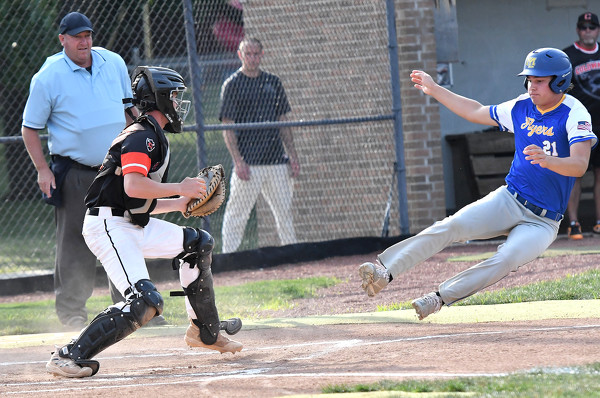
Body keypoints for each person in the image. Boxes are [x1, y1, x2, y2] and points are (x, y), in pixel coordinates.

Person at [358, 48, 597, 321]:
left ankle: (439, 298)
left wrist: (548, 159)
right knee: (452, 225)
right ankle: (384, 272)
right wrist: (435, 90)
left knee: (506, 259)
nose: (532, 85)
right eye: (529, 79)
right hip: (510, 199)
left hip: (543, 222)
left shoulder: (574, 113)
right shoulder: (521, 106)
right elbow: (476, 111)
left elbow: (580, 164)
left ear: (559, 82)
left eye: (540, 80)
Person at [45, 66, 243, 378]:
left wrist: (178, 203)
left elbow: (139, 203)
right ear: (160, 99)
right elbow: (133, 187)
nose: (178, 104)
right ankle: (68, 355)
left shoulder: (153, 136)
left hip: (130, 223)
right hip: (108, 226)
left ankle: (205, 332)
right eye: (175, 97)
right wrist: (180, 187)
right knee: (144, 303)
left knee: (197, 243)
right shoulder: (141, 137)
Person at [21, 12, 144, 330]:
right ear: (62, 39)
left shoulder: (113, 62)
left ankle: (132, 306)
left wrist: (135, 159)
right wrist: (42, 170)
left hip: (117, 168)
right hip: (75, 171)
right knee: (75, 240)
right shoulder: (48, 76)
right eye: (76, 36)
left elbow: (129, 112)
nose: (84, 41)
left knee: (123, 235)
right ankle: (73, 313)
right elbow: (29, 129)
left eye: (87, 35)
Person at [219, 37, 300, 253]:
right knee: (237, 214)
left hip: (275, 161)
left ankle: (293, 256)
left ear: (262, 54)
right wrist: (238, 161)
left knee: (285, 213)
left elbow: (283, 121)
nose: (253, 58)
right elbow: (228, 127)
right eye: (248, 54)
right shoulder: (232, 85)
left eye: (256, 54)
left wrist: (292, 155)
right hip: (249, 164)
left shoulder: (273, 82)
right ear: (240, 55)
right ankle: (229, 259)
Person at [562, 12, 600, 240]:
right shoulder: (567, 57)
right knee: (576, 173)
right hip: (579, 124)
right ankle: (573, 223)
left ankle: (598, 222)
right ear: (578, 29)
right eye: (584, 27)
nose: (588, 31)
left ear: (597, 30)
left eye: (592, 27)